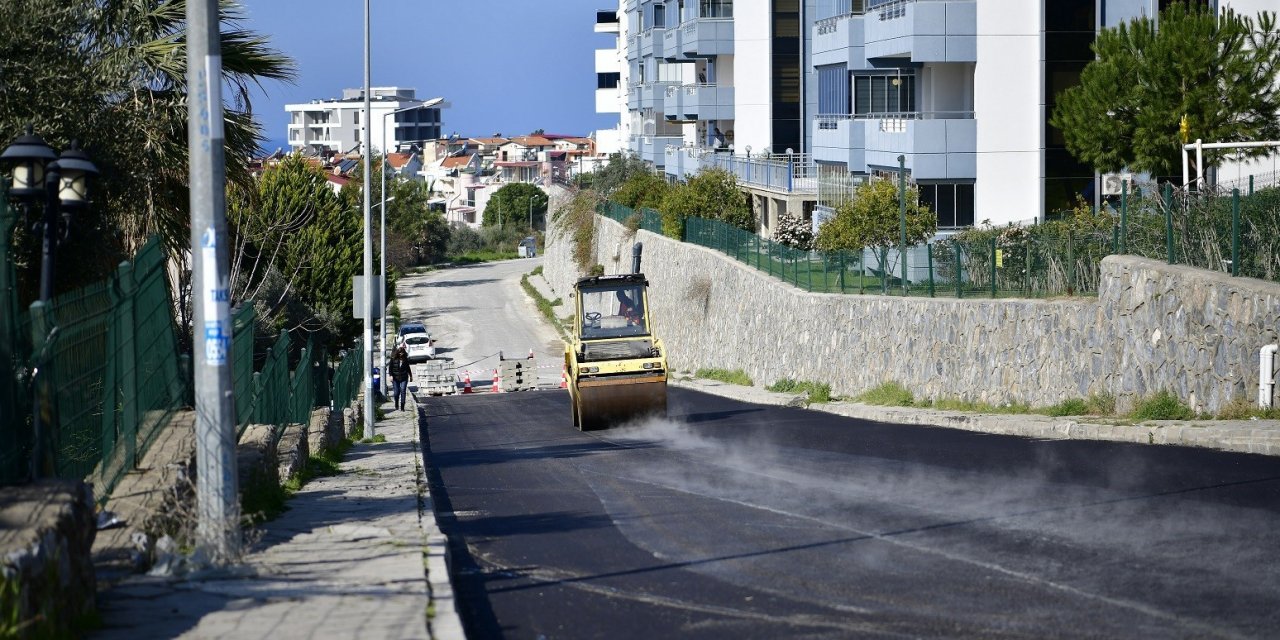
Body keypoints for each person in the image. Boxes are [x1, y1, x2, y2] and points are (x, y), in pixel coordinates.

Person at [388, 347, 413, 411]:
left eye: (402, 353)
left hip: (404, 378)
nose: (401, 354)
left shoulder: (405, 359)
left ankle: (402, 407)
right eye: (399, 353)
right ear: (397, 353)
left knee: (403, 391)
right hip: (395, 378)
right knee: (396, 392)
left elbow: (408, 368)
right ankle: (396, 403)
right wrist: (390, 376)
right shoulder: (393, 359)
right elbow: (390, 368)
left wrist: (411, 376)